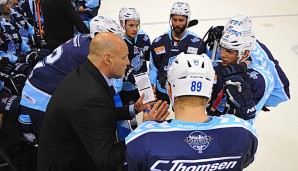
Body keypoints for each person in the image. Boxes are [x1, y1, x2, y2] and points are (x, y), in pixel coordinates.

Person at [37, 32, 169, 171]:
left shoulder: (86, 75)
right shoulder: (92, 96)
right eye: (124, 57)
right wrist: (145, 129)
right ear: (108, 59)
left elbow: (100, 115)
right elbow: (108, 160)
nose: (128, 62)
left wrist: (134, 108)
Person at [126, 53, 258, 171]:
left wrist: (147, 127)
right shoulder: (243, 131)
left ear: (170, 91)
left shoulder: (143, 137)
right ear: (209, 91)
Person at [19, 15, 122, 141]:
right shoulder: (89, 54)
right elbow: (110, 88)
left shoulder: (85, 40)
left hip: (39, 90)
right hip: (40, 99)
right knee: (54, 149)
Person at [205, 14, 290, 108]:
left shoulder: (258, 53)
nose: (230, 36)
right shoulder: (227, 42)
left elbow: (281, 91)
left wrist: (259, 102)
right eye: (227, 32)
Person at [207, 28, 274, 123]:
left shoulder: (260, 78)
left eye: (229, 52)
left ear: (245, 53)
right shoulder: (215, 66)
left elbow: (247, 114)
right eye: (221, 49)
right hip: (209, 125)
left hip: (235, 129)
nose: (222, 55)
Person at [150, 1, 206, 104]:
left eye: (181, 20)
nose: (177, 24)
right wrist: (152, 86)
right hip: (162, 91)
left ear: (187, 20)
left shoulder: (197, 43)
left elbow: (205, 68)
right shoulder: (159, 42)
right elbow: (153, 68)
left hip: (185, 92)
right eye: (174, 20)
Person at [118, 7, 151, 129]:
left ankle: (148, 127)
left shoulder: (144, 37)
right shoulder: (118, 42)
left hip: (143, 82)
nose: (135, 29)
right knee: (130, 107)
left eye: (137, 25)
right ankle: (132, 120)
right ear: (122, 24)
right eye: (131, 25)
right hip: (126, 85)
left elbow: (149, 58)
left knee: (147, 106)